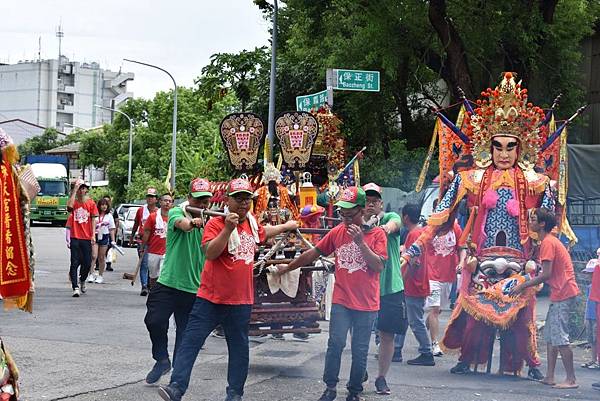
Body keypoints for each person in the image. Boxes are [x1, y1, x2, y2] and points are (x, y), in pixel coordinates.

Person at [403, 73, 555, 377]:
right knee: (476, 316)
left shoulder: (536, 182)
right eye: (497, 146)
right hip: (480, 256)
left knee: (521, 318)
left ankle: (531, 364)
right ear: (489, 145)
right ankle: (467, 359)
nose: (503, 153)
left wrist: (540, 252)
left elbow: (548, 222)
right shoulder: (470, 178)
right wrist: (418, 245)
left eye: (510, 147)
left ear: (520, 149)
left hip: (519, 260)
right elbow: (441, 215)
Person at [158, 178, 298, 401]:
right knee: (191, 342)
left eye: (247, 199)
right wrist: (228, 229)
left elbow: (265, 232)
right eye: (238, 198)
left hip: (241, 301)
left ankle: (235, 394)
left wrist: (288, 226)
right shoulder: (215, 222)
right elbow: (210, 253)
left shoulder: (251, 224)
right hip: (211, 299)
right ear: (227, 200)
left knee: (239, 350)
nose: (243, 203)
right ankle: (176, 387)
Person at [275, 186, 387, 401]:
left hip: (366, 303)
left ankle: (354, 390)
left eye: (349, 214)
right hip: (342, 300)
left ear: (362, 210)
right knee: (335, 343)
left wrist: (361, 243)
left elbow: (378, 266)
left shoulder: (377, 235)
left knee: (360, 349)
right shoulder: (337, 232)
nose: (345, 219)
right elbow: (313, 253)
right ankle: (330, 387)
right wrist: (289, 267)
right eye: (341, 214)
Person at [144, 179, 212, 386]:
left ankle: (176, 382)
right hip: (168, 283)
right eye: (197, 200)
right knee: (154, 321)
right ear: (190, 198)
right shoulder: (176, 212)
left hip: (194, 289)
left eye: (205, 201)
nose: (201, 204)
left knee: (185, 337)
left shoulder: (212, 223)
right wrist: (193, 222)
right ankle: (162, 359)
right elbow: (182, 225)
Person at [510, 208, 579, 389]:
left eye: (533, 219)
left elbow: (546, 274)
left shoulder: (548, 243)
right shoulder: (548, 241)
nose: (530, 222)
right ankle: (550, 376)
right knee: (550, 336)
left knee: (559, 337)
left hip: (563, 292)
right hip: (560, 293)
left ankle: (571, 379)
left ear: (542, 224)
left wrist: (522, 286)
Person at [361, 183, 406, 396]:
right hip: (364, 287)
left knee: (387, 334)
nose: (370, 205)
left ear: (380, 203)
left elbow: (395, 224)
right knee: (358, 333)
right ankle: (359, 370)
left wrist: (382, 228)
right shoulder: (356, 225)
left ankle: (381, 377)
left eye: (374, 201)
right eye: (366, 201)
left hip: (390, 286)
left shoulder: (389, 218)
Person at [397, 203, 435, 367]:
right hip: (417, 282)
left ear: (405, 217)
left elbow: (413, 262)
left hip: (413, 283)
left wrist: (403, 279)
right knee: (405, 317)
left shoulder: (413, 234)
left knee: (414, 320)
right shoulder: (421, 232)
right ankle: (396, 349)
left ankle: (426, 351)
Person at [424, 218, 464, 357]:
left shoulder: (455, 227)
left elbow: (461, 247)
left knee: (438, 310)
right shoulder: (430, 228)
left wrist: (462, 262)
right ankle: (434, 344)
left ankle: (424, 327)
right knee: (435, 309)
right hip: (431, 274)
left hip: (448, 275)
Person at [66, 179, 98, 297]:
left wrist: (93, 234)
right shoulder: (73, 201)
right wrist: (74, 190)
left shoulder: (91, 203)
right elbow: (69, 207)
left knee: (87, 262)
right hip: (75, 236)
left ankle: (82, 279)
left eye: (83, 188)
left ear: (86, 189)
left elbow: (94, 219)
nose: (81, 190)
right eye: (79, 188)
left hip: (86, 237)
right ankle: (75, 287)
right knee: (74, 263)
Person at [131, 187, 159, 296]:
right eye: (148, 197)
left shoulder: (159, 212)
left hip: (154, 242)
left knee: (152, 264)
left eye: (152, 197)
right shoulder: (141, 210)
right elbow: (136, 224)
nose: (150, 199)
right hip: (142, 240)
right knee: (144, 263)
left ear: (156, 199)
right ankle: (144, 285)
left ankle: (150, 284)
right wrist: (132, 237)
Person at [142, 193, 173, 290]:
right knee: (153, 276)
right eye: (165, 200)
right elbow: (146, 232)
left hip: (167, 252)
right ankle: (153, 292)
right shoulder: (153, 217)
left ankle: (160, 295)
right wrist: (143, 247)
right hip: (154, 251)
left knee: (162, 276)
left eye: (170, 201)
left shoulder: (175, 217)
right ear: (160, 202)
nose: (167, 203)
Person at [88, 198, 116, 284]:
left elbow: (112, 229)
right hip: (95, 235)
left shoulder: (109, 216)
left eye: (105, 205)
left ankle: (100, 275)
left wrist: (113, 240)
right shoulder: (95, 215)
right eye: (102, 205)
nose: (104, 206)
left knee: (101, 257)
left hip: (104, 236)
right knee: (93, 256)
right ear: (99, 206)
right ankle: (91, 274)